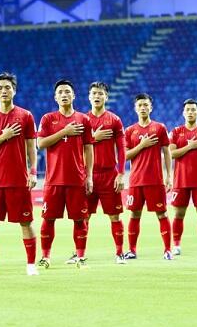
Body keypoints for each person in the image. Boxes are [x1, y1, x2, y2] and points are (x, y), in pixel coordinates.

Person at [0, 73, 39, 276]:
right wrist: (3, 136)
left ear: (14, 90)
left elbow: (32, 147)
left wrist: (32, 172)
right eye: (0, 88)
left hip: (18, 179)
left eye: (7, 87)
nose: (4, 91)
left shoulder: (25, 116)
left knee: (26, 222)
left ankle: (31, 264)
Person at [37, 79, 94, 268]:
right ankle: (45, 256)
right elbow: (41, 144)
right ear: (55, 97)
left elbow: (88, 149)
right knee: (48, 219)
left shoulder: (84, 120)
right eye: (60, 92)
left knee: (80, 219)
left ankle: (80, 256)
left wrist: (89, 175)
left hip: (76, 178)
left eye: (67, 91)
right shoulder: (47, 119)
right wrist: (65, 131)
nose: (64, 94)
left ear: (74, 95)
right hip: (53, 180)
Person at [72, 81, 127, 264]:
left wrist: (121, 173)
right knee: (82, 216)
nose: (97, 96)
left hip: (109, 174)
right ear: (89, 96)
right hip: (87, 175)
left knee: (115, 216)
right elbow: (75, 148)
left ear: (106, 97)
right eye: (94, 93)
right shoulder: (81, 119)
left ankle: (119, 253)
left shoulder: (114, 120)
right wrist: (94, 137)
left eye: (100, 93)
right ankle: (79, 255)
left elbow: (121, 148)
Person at [124, 94, 174, 260]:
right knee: (134, 215)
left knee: (162, 214)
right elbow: (125, 156)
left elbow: (167, 152)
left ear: (151, 107)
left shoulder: (159, 128)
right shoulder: (130, 131)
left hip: (155, 180)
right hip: (136, 181)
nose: (143, 108)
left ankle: (167, 250)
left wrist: (169, 175)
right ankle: (132, 250)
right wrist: (142, 145)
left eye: (146, 105)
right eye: (140, 105)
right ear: (135, 108)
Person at [169, 99, 197, 256]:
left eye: (193, 110)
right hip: (180, 180)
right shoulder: (175, 132)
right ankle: (176, 246)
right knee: (178, 214)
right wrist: (189, 146)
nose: (190, 112)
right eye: (187, 109)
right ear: (183, 113)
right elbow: (172, 153)